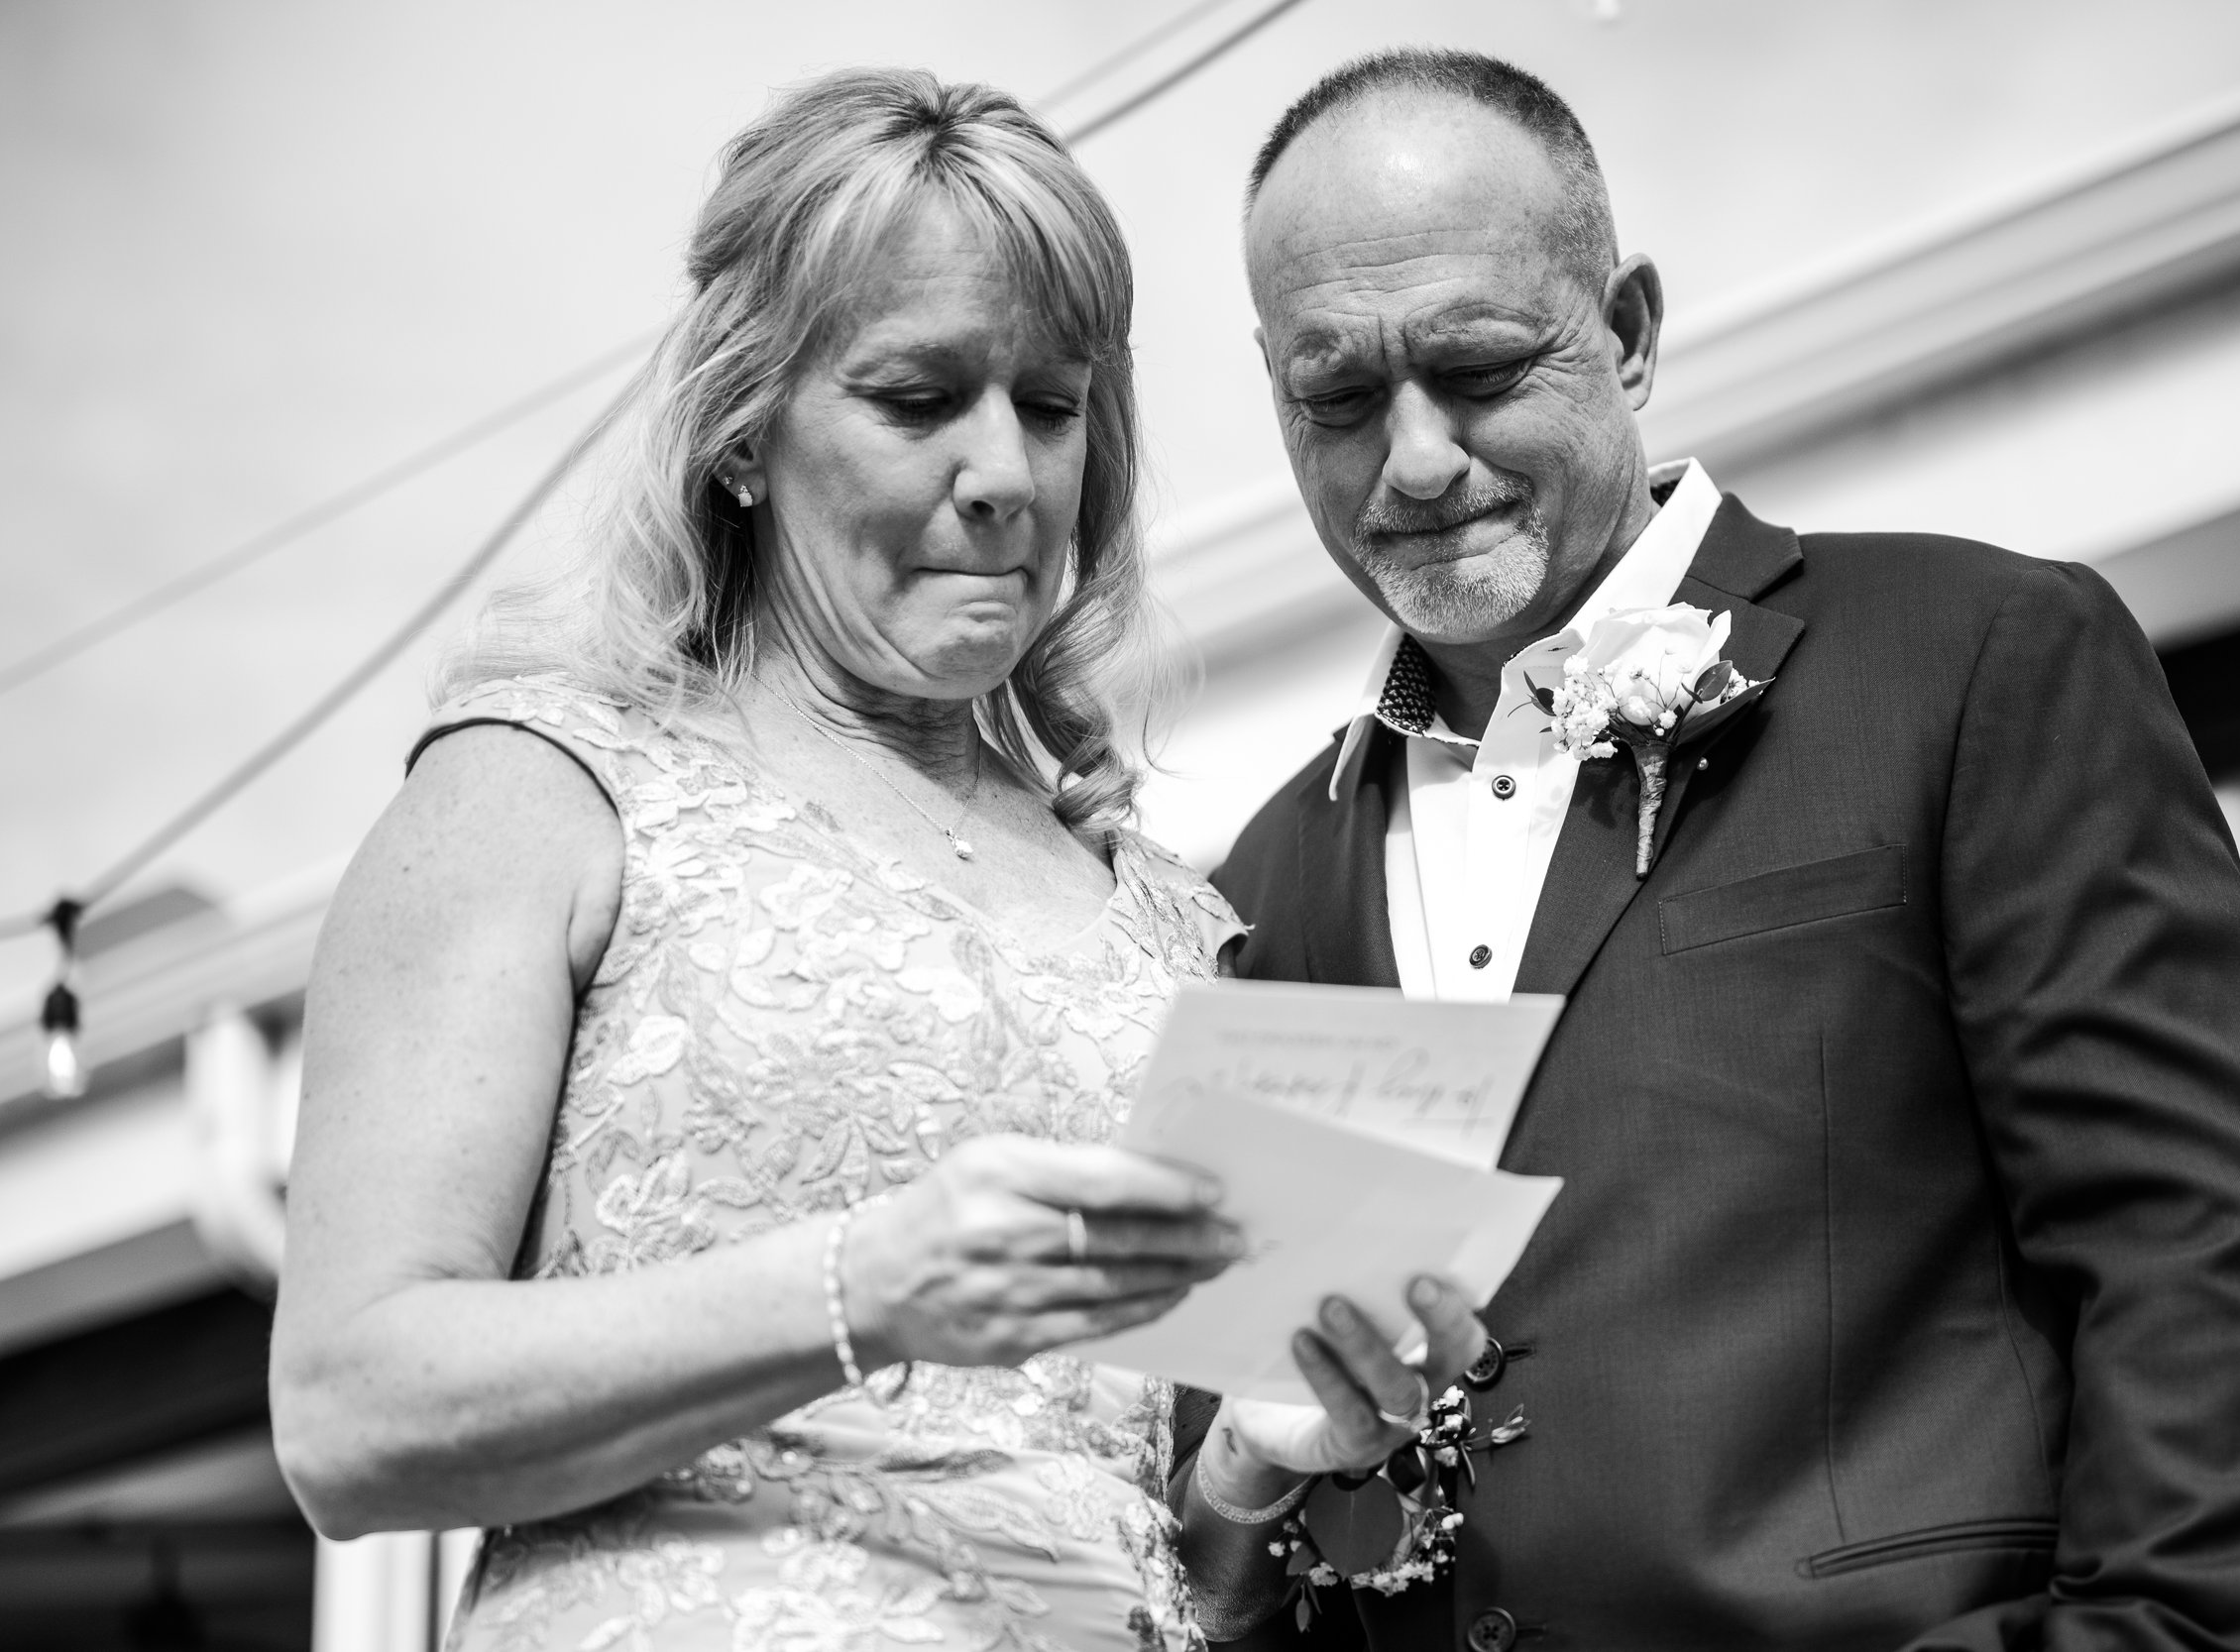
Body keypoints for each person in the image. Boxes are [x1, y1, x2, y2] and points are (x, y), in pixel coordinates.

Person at [269, 68, 1477, 1652]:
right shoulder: (544, 790)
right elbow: (349, 1414)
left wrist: (1247, 1472)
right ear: (742, 432)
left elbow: (1149, 1549)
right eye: (917, 400)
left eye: (1052, 407)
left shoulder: (1179, 929)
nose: (1006, 476)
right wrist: (863, 1286)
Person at [1207, 49, 2240, 1650]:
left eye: (1476, 365)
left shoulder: (1975, 656)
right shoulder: (1260, 888)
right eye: (1336, 397)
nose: (1412, 460)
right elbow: (1264, 1485)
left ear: (1629, 332)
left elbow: (2205, 1271)